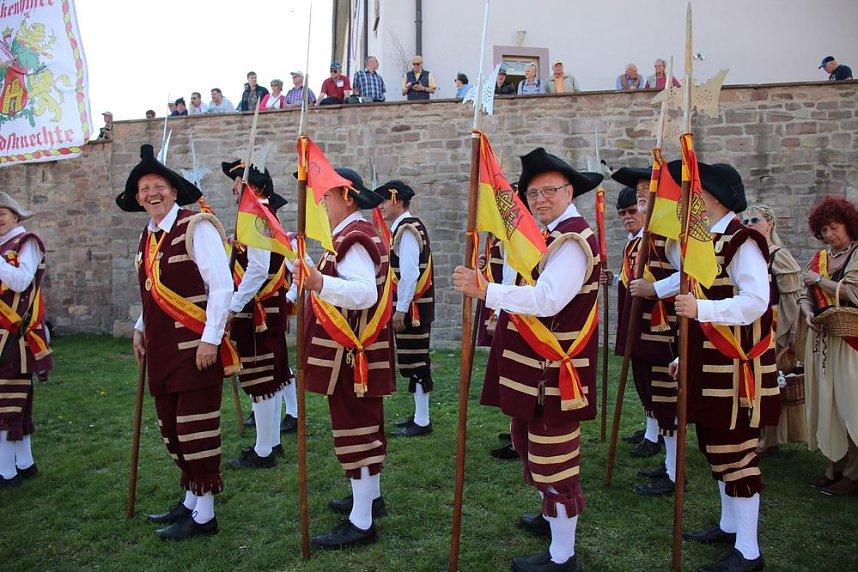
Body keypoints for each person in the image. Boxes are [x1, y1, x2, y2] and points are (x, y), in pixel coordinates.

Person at [454, 148, 603, 571]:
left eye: (549, 190)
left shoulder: (573, 239)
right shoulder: (547, 234)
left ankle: (562, 555)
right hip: (533, 368)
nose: (538, 199)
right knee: (529, 443)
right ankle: (548, 518)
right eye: (532, 193)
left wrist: (487, 292)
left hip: (555, 370)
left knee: (555, 460)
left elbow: (548, 299)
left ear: (569, 191)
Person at [660, 161, 778, 572]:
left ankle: (748, 551)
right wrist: (682, 356)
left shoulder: (742, 241)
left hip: (735, 367)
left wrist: (701, 308)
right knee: (715, 445)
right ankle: (729, 527)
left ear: (711, 197)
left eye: (692, 194)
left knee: (737, 452)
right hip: (709, 361)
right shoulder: (705, 242)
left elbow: (755, 302)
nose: (685, 201)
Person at [117, 144, 234, 540]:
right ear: (137, 198)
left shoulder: (196, 226)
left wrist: (210, 340)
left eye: (159, 185)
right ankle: (189, 499)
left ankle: (205, 516)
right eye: (145, 188)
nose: (152, 193)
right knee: (171, 429)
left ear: (174, 190)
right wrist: (139, 326)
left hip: (195, 350)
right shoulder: (147, 237)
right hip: (163, 350)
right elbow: (154, 291)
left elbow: (222, 287)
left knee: (194, 429)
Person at [296, 169, 394, 548]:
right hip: (352, 353)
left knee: (356, 431)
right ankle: (369, 499)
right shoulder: (349, 235)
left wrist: (319, 283)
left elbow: (364, 294)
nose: (321, 203)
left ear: (348, 198)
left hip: (352, 354)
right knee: (364, 427)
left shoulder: (354, 238)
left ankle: (362, 522)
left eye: (327, 197)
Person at [221, 158, 292, 468]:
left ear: (253, 186)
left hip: (257, 311)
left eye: (238, 181)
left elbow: (259, 268)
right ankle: (271, 443)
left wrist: (235, 305)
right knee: (272, 377)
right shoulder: (261, 213)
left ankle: (263, 451)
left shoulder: (256, 215)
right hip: (267, 309)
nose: (234, 188)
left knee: (261, 377)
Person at [799, 195, 858, 496]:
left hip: (850, 342)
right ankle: (833, 466)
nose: (829, 235)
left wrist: (818, 280)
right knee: (827, 404)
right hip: (822, 338)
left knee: (851, 405)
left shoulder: (856, 254)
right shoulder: (819, 259)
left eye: (834, 227)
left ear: (847, 225)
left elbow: (853, 292)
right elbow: (804, 293)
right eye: (823, 230)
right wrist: (808, 311)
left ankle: (854, 472)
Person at [743, 204, 806, 455]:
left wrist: (789, 332)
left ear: (769, 224)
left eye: (754, 220)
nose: (749, 224)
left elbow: (792, 298)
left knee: (770, 381)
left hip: (773, 328)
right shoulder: (748, 253)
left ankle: (769, 438)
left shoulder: (778, 255)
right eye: (745, 220)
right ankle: (755, 429)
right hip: (751, 327)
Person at [376, 180, 435, 438]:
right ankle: (419, 416)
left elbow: (410, 274)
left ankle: (423, 421)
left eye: (384, 201)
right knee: (412, 360)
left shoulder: (407, 230)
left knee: (417, 361)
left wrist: (400, 309)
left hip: (412, 309)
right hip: (412, 307)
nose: (380, 206)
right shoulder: (403, 227)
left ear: (398, 201)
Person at [0, 193, 51, 488]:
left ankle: (5, 472)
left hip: (17, 334)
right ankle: (24, 463)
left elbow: (20, 280)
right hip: (5, 334)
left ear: (15, 216)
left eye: (2, 214)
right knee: (16, 400)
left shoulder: (27, 242)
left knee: (8, 403)